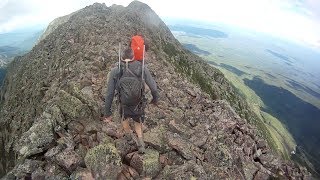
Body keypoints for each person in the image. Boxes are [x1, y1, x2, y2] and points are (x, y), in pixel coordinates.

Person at [104, 48, 159, 154]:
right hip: (138, 103)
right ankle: (141, 144)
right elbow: (154, 88)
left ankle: (129, 138)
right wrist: (155, 99)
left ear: (121, 57)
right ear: (133, 56)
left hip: (123, 104)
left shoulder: (115, 71)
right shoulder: (142, 68)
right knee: (138, 122)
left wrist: (107, 113)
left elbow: (110, 93)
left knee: (124, 119)